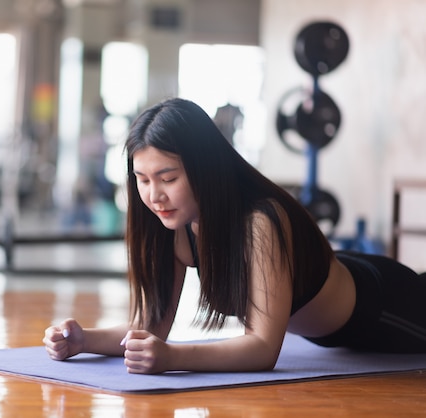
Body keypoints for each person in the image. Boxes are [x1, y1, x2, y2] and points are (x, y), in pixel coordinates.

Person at [43, 97, 426, 374]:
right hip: (339, 310)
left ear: (205, 169)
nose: (154, 195)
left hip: (385, 308)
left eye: (168, 178)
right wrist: (82, 340)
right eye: (142, 180)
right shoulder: (171, 226)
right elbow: (147, 328)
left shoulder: (259, 221)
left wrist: (173, 358)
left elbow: (262, 349)